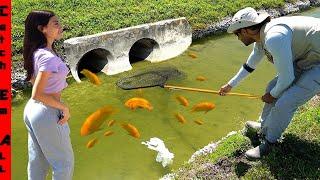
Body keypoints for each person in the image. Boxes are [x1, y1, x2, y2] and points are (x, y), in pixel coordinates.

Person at [219, 7, 320, 159]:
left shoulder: (274, 37)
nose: (237, 37)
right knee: (272, 87)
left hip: (316, 61)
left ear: (245, 30)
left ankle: (269, 142)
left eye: (236, 33)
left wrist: (272, 96)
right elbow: (251, 64)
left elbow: (287, 78)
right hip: (308, 56)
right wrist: (230, 85)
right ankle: (264, 126)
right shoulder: (262, 36)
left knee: (286, 102)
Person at [23, 10, 74, 179]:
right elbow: (37, 94)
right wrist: (63, 107)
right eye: (55, 24)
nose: (61, 27)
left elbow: (32, 81)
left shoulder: (38, 52)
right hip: (46, 111)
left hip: (32, 111)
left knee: (38, 162)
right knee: (64, 164)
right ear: (42, 29)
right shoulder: (47, 57)